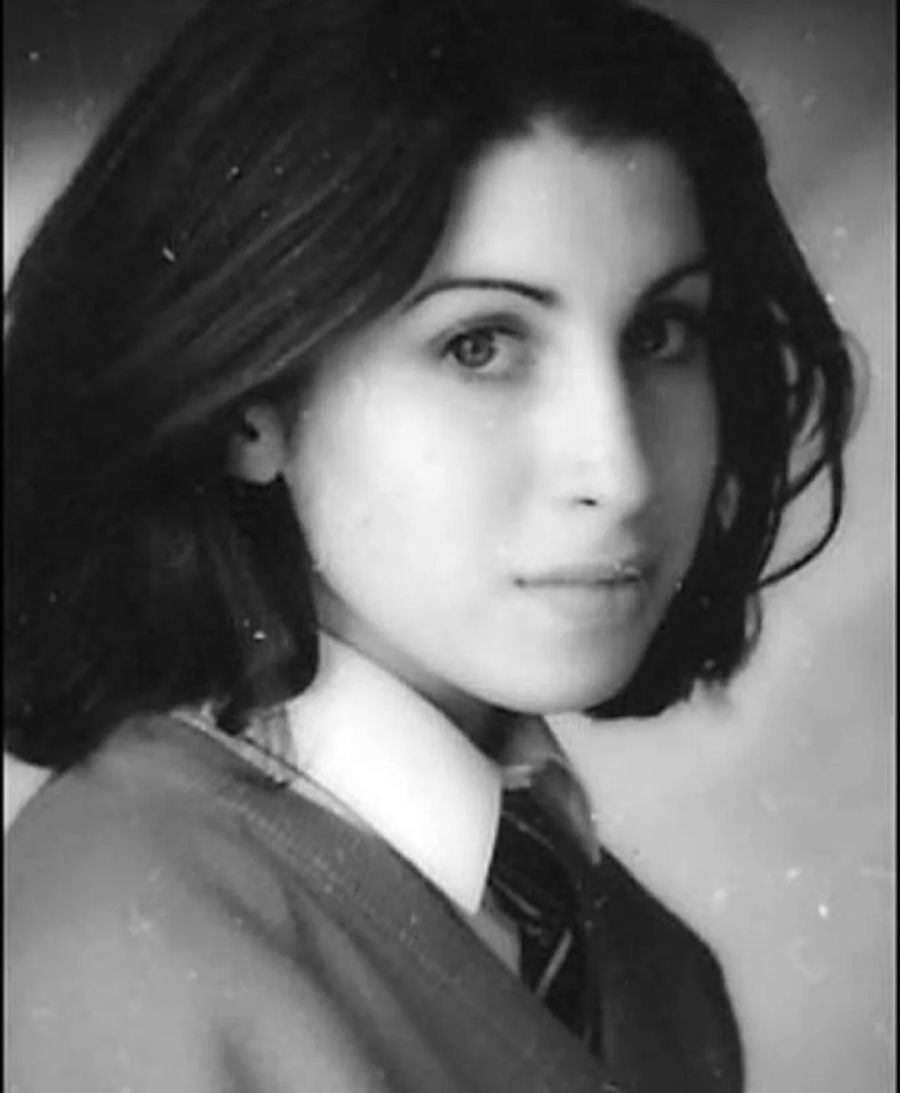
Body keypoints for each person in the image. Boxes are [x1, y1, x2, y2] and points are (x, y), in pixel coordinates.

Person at [4, 0, 857, 1090]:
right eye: (480, 343)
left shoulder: (651, 968)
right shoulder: (106, 965)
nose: (622, 471)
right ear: (251, 401)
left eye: (658, 333)